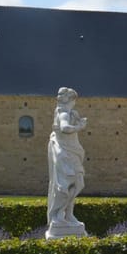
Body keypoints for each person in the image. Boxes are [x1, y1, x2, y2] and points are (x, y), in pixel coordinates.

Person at [46, 87, 87, 234]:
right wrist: (79, 127)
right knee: (65, 184)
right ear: (71, 100)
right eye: (74, 100)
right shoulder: (63, 113)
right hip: (65, 153)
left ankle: (68, 214)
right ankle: (58, 215)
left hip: (72, 151)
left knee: (78, 183)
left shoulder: (69, 113)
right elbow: (64, 128)